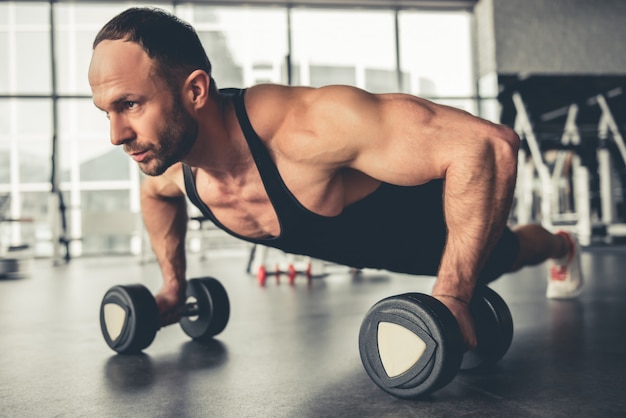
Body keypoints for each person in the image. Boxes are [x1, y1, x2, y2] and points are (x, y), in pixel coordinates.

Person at [88, 7, 583, 350]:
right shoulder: (174, 165)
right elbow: (154, 193)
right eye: (106, 112)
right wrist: (174, 287)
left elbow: (488, 145)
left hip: (444, 233)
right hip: (377, 249)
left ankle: (562, 246)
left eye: (129, 104)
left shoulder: (308, 126)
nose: (115, 134)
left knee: (512, 252)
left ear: (195, 89)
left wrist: (453, 292)